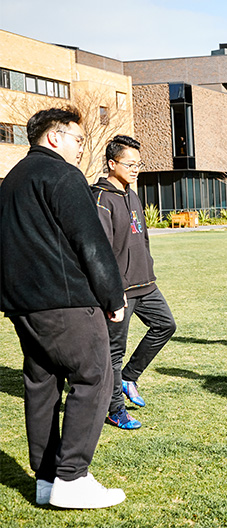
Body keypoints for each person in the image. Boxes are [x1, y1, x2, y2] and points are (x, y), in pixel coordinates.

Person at [0, 108, 128, 508]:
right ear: (54, 137)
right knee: (95, 376)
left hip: (23, 305)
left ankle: (47, 480)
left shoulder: (11, 181)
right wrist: (113, 296)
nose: (80, 146)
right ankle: (72, 478)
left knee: (42, 386)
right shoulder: (62, 175)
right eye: (77, 138)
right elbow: (89, 240)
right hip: (66, 301)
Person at [92, 135, 176, 430]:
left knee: (166, 325)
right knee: (114, 352)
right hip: (120, 291)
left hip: (146, 284)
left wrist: (149, 267)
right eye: (130, 163)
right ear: (112, 163)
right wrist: (111, 293)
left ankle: (129, 377)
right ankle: (115, 410)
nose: (135, 168)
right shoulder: (101, 199)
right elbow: (98, 252)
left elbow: (142, 238)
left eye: (138, 164)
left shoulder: (133, 194)